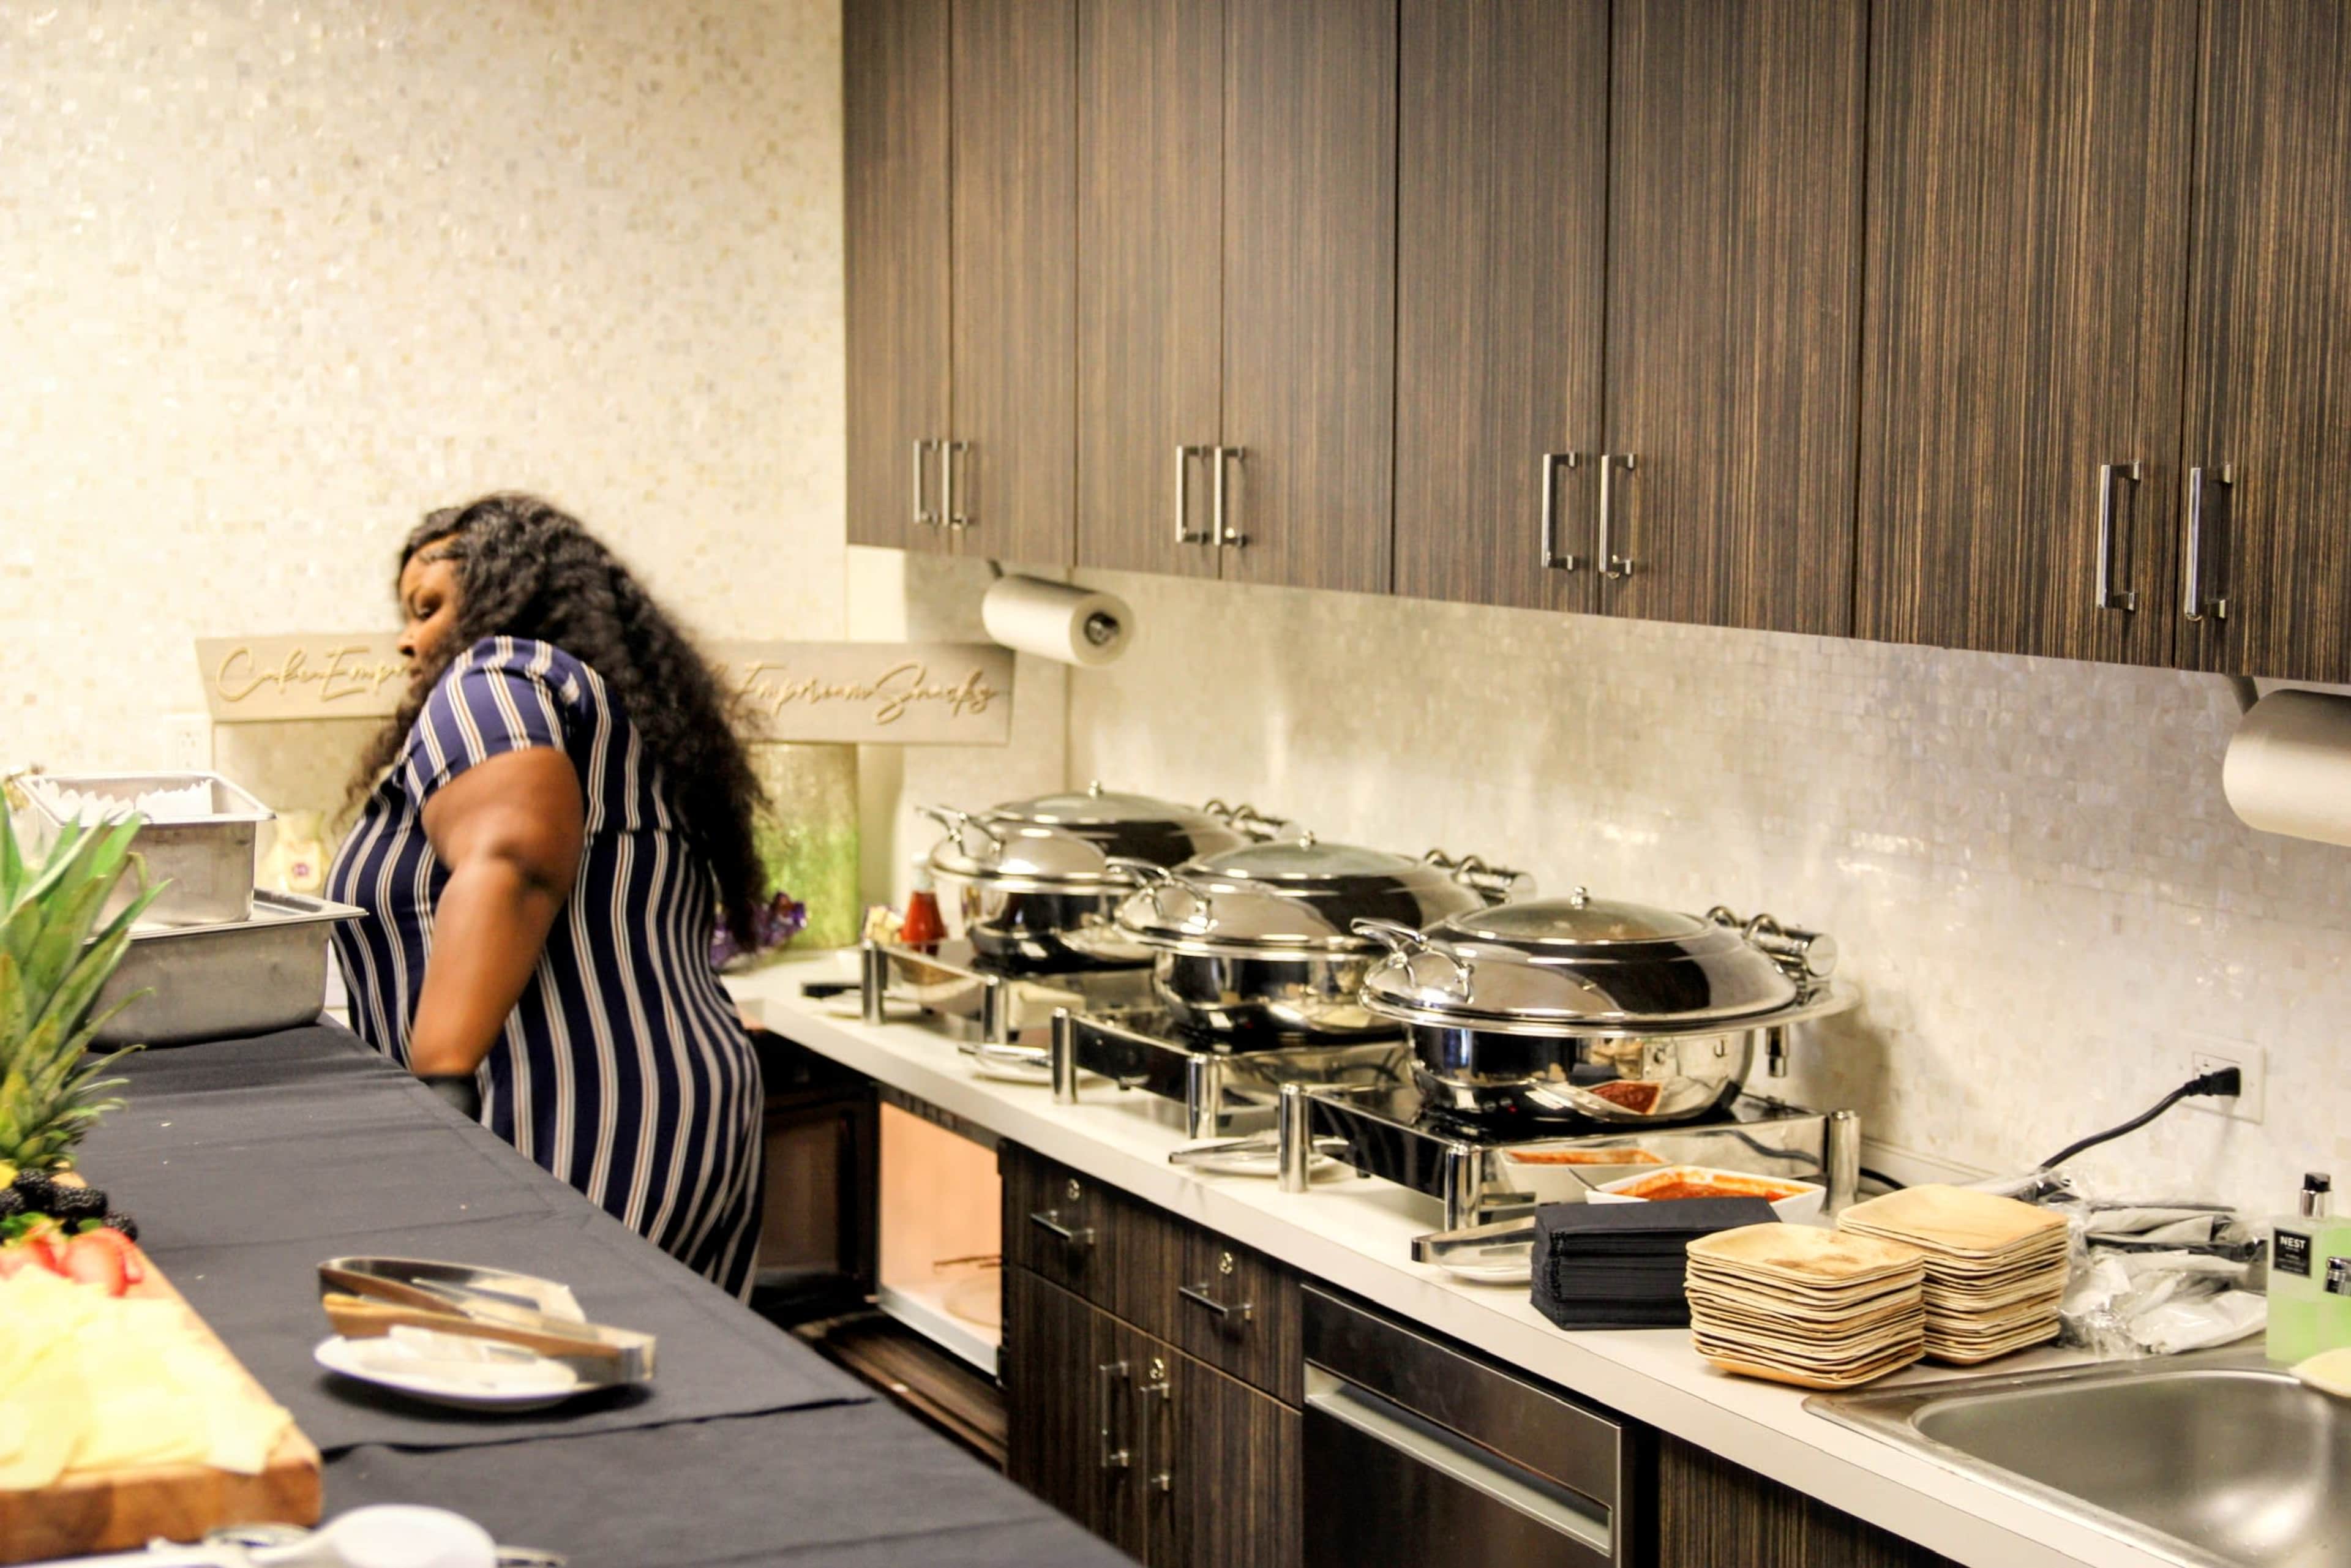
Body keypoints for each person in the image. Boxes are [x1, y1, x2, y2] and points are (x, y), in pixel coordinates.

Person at [329, 493, 768, 1298]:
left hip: (562, 1109)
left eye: (428, 608)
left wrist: (441, 1092)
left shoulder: (496, 673)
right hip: (684, 1103)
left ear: (503, 590)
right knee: (661, 1378)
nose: (407, 637)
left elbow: (517, 854)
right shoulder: (624, 715)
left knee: (523, 1378)